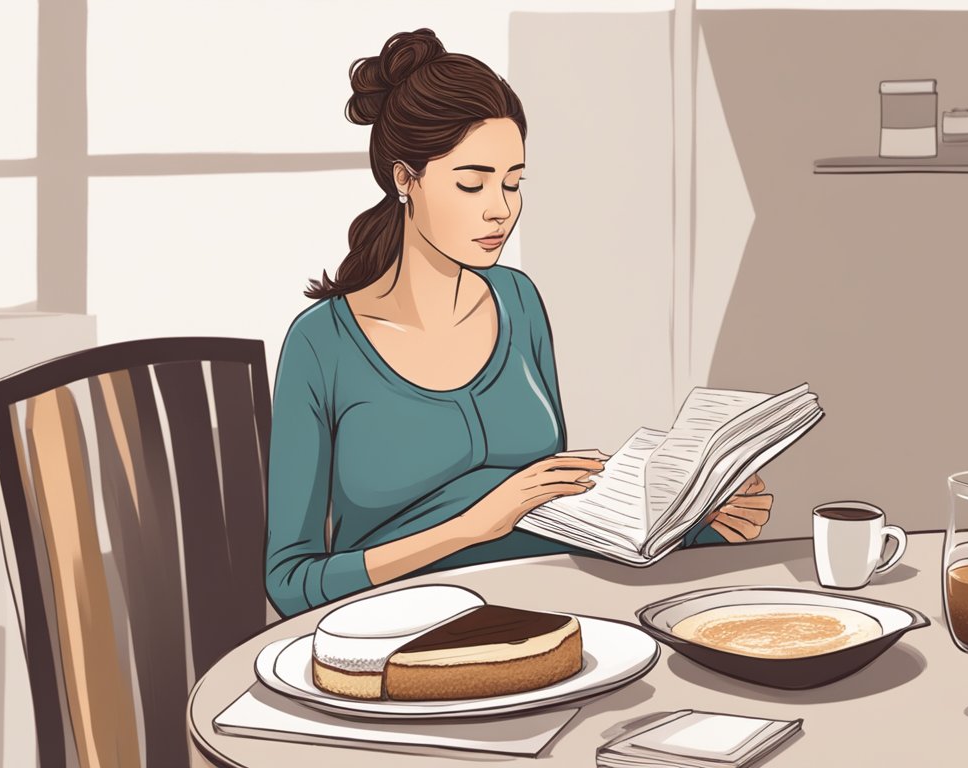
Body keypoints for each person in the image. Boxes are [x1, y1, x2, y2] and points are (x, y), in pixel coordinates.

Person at [265, 28, 774, 618]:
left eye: (513, 183)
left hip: (552, 607)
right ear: (406, 180)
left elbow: (555, 507)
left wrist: (698, 519)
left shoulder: (519, 300)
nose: (500, 209)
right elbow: (292, 580)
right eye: (472, 183)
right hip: (403, 631)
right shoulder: (322, 344)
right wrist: (470, 527)